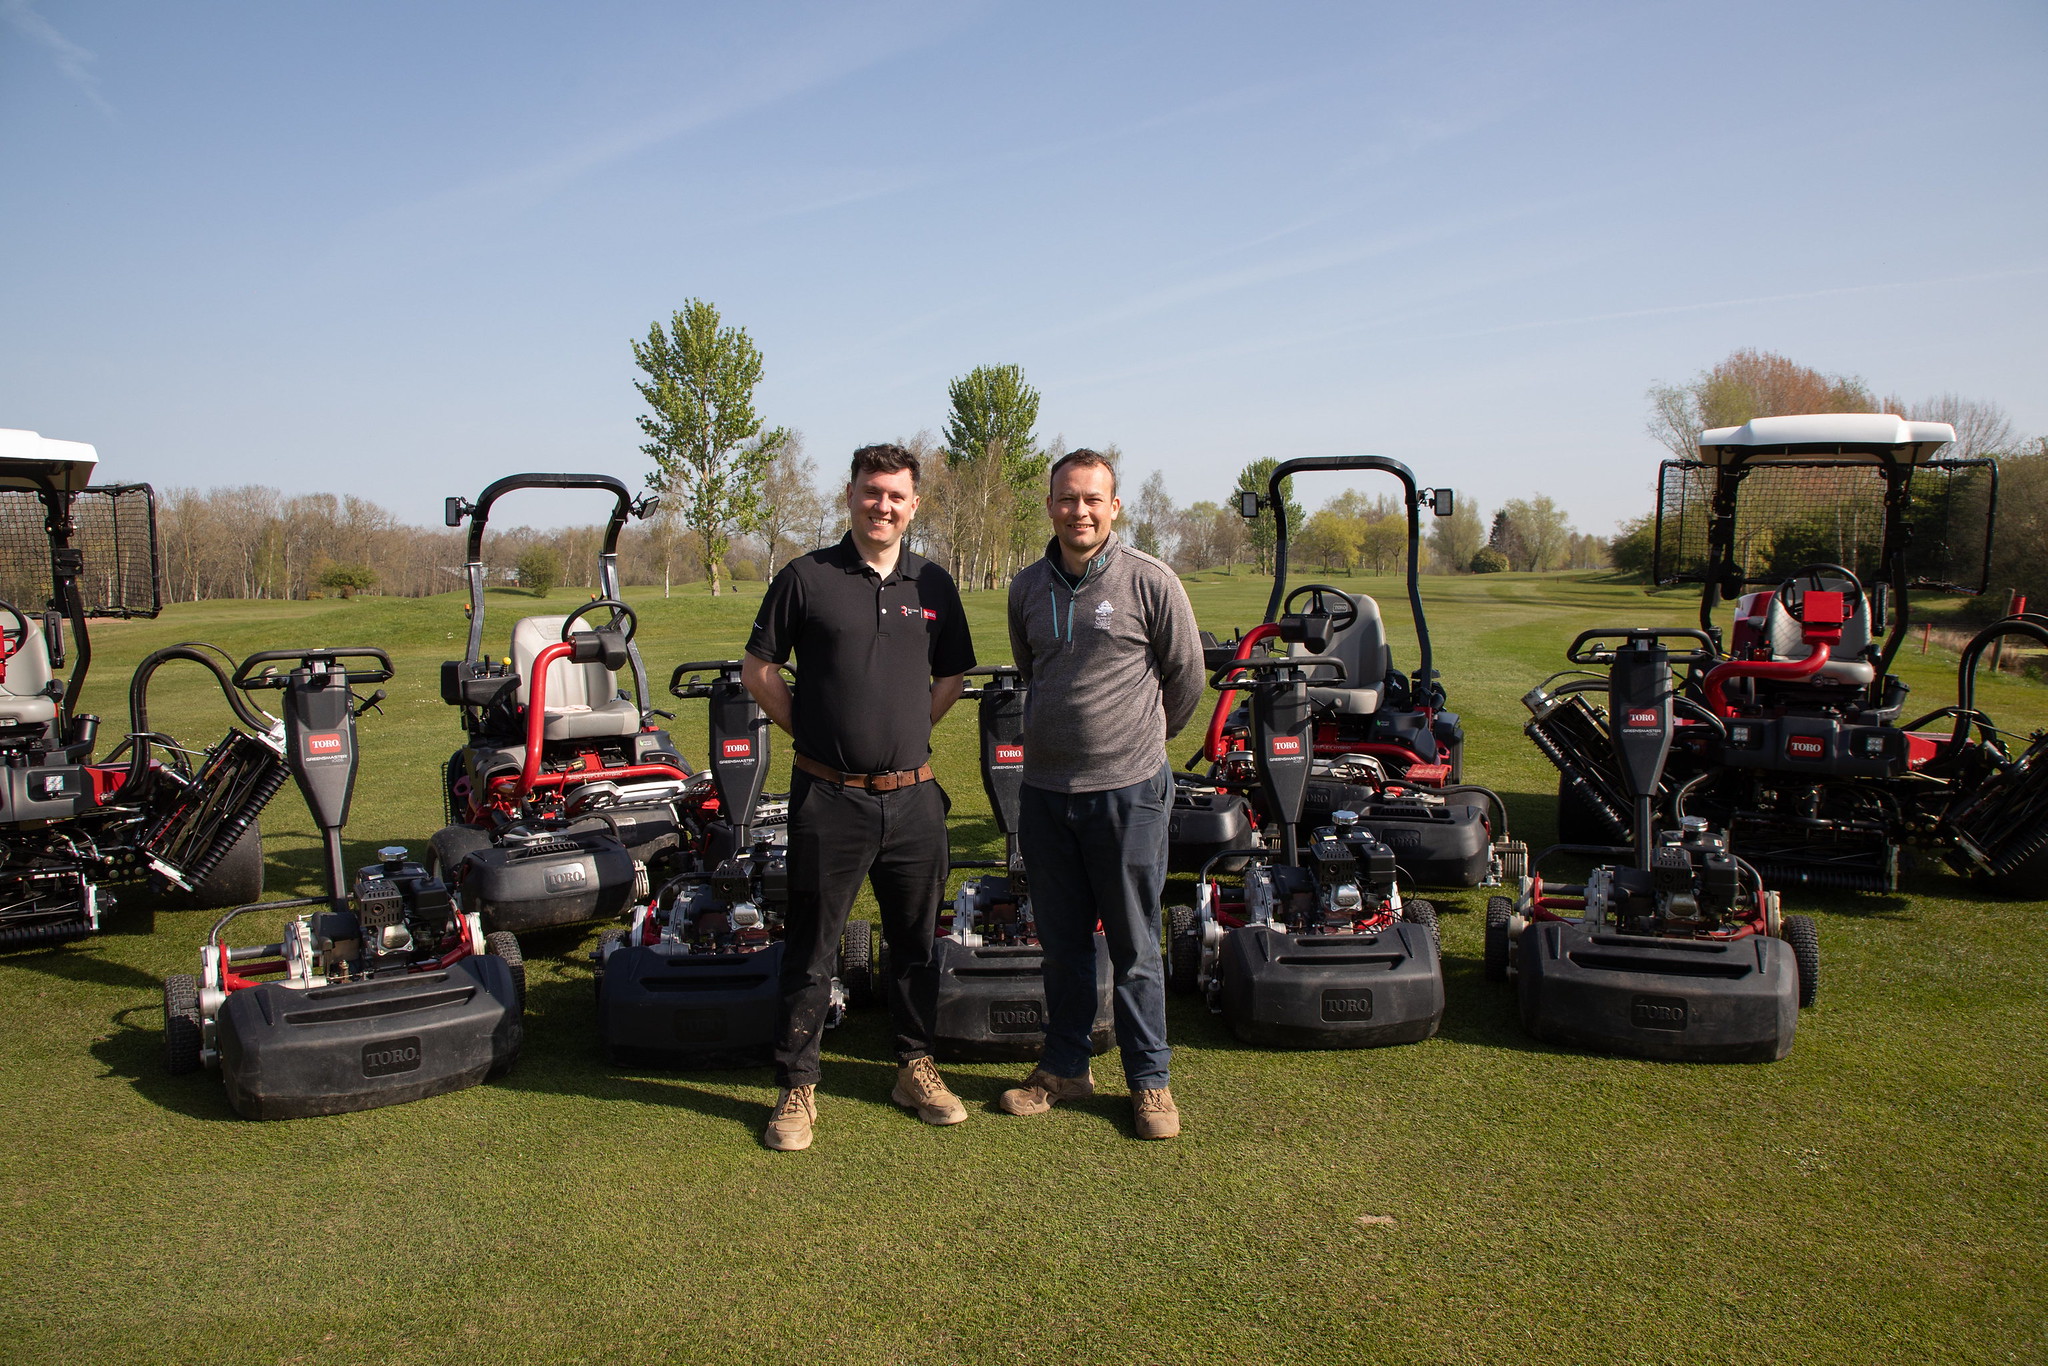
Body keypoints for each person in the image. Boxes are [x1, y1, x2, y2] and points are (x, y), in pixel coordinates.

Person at [742, 443, 975, 1152]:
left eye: (897, 496)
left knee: (914, 946)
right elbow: (759, 669)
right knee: (811, 950)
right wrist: (811, 732)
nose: (884, 505)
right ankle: (797, 1086)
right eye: (872, 492)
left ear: (914, 504)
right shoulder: (806, 577)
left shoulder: (932, 583)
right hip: (828, 799)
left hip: (913, 801)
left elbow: (950, 680)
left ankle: (914, 1066)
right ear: (850, 495)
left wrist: (902, 742)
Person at [995, 449, 1204, 1140]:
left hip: (1129, 794)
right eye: (1066, 498)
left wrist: (1136, 745)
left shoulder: (1150, 580)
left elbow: (1185, 680)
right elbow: (1034, 670)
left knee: (1136, 942)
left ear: (1114, 507)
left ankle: (1151, 1083)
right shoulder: (1026, 587)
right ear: (1050, 505)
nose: (1078, 510)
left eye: (1093, 499)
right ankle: (1064, 1069)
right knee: (1059, 943)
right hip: (1047, 795)